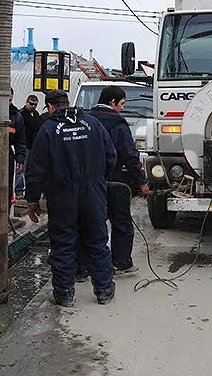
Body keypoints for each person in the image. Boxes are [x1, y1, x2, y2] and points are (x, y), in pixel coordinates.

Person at [24, 89, 117, 307]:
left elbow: (36, 169)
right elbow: (111, 156)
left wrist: (32, 200)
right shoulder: (93, 124)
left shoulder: (48, 129)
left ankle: (64, 294)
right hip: (92, 191)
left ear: (49, 107)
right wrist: (98, 180)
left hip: (62, 194)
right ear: (68, 102)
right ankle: (104, 290)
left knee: (63, 242)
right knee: (97, 239)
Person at [79, 85, 149, 277]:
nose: (123, 108)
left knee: (90, 222)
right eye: (122, 104)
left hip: (86, 181)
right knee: (121, 222)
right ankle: (121, 262)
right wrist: (141, 181)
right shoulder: (117, 123)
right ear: (112, 102)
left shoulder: (85, 120)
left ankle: (83, 266)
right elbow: (129, 155)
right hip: (114, 180)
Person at [15, 94, 41, 199]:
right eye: (31, 104)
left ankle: (28, 191)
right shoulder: (21, 114)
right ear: (26, 102)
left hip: (33, 146)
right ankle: (19, 191)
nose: (33, 106)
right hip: (24, 146)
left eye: (35, 105)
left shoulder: (36, 114)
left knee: (31, 170)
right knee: (21, 169)